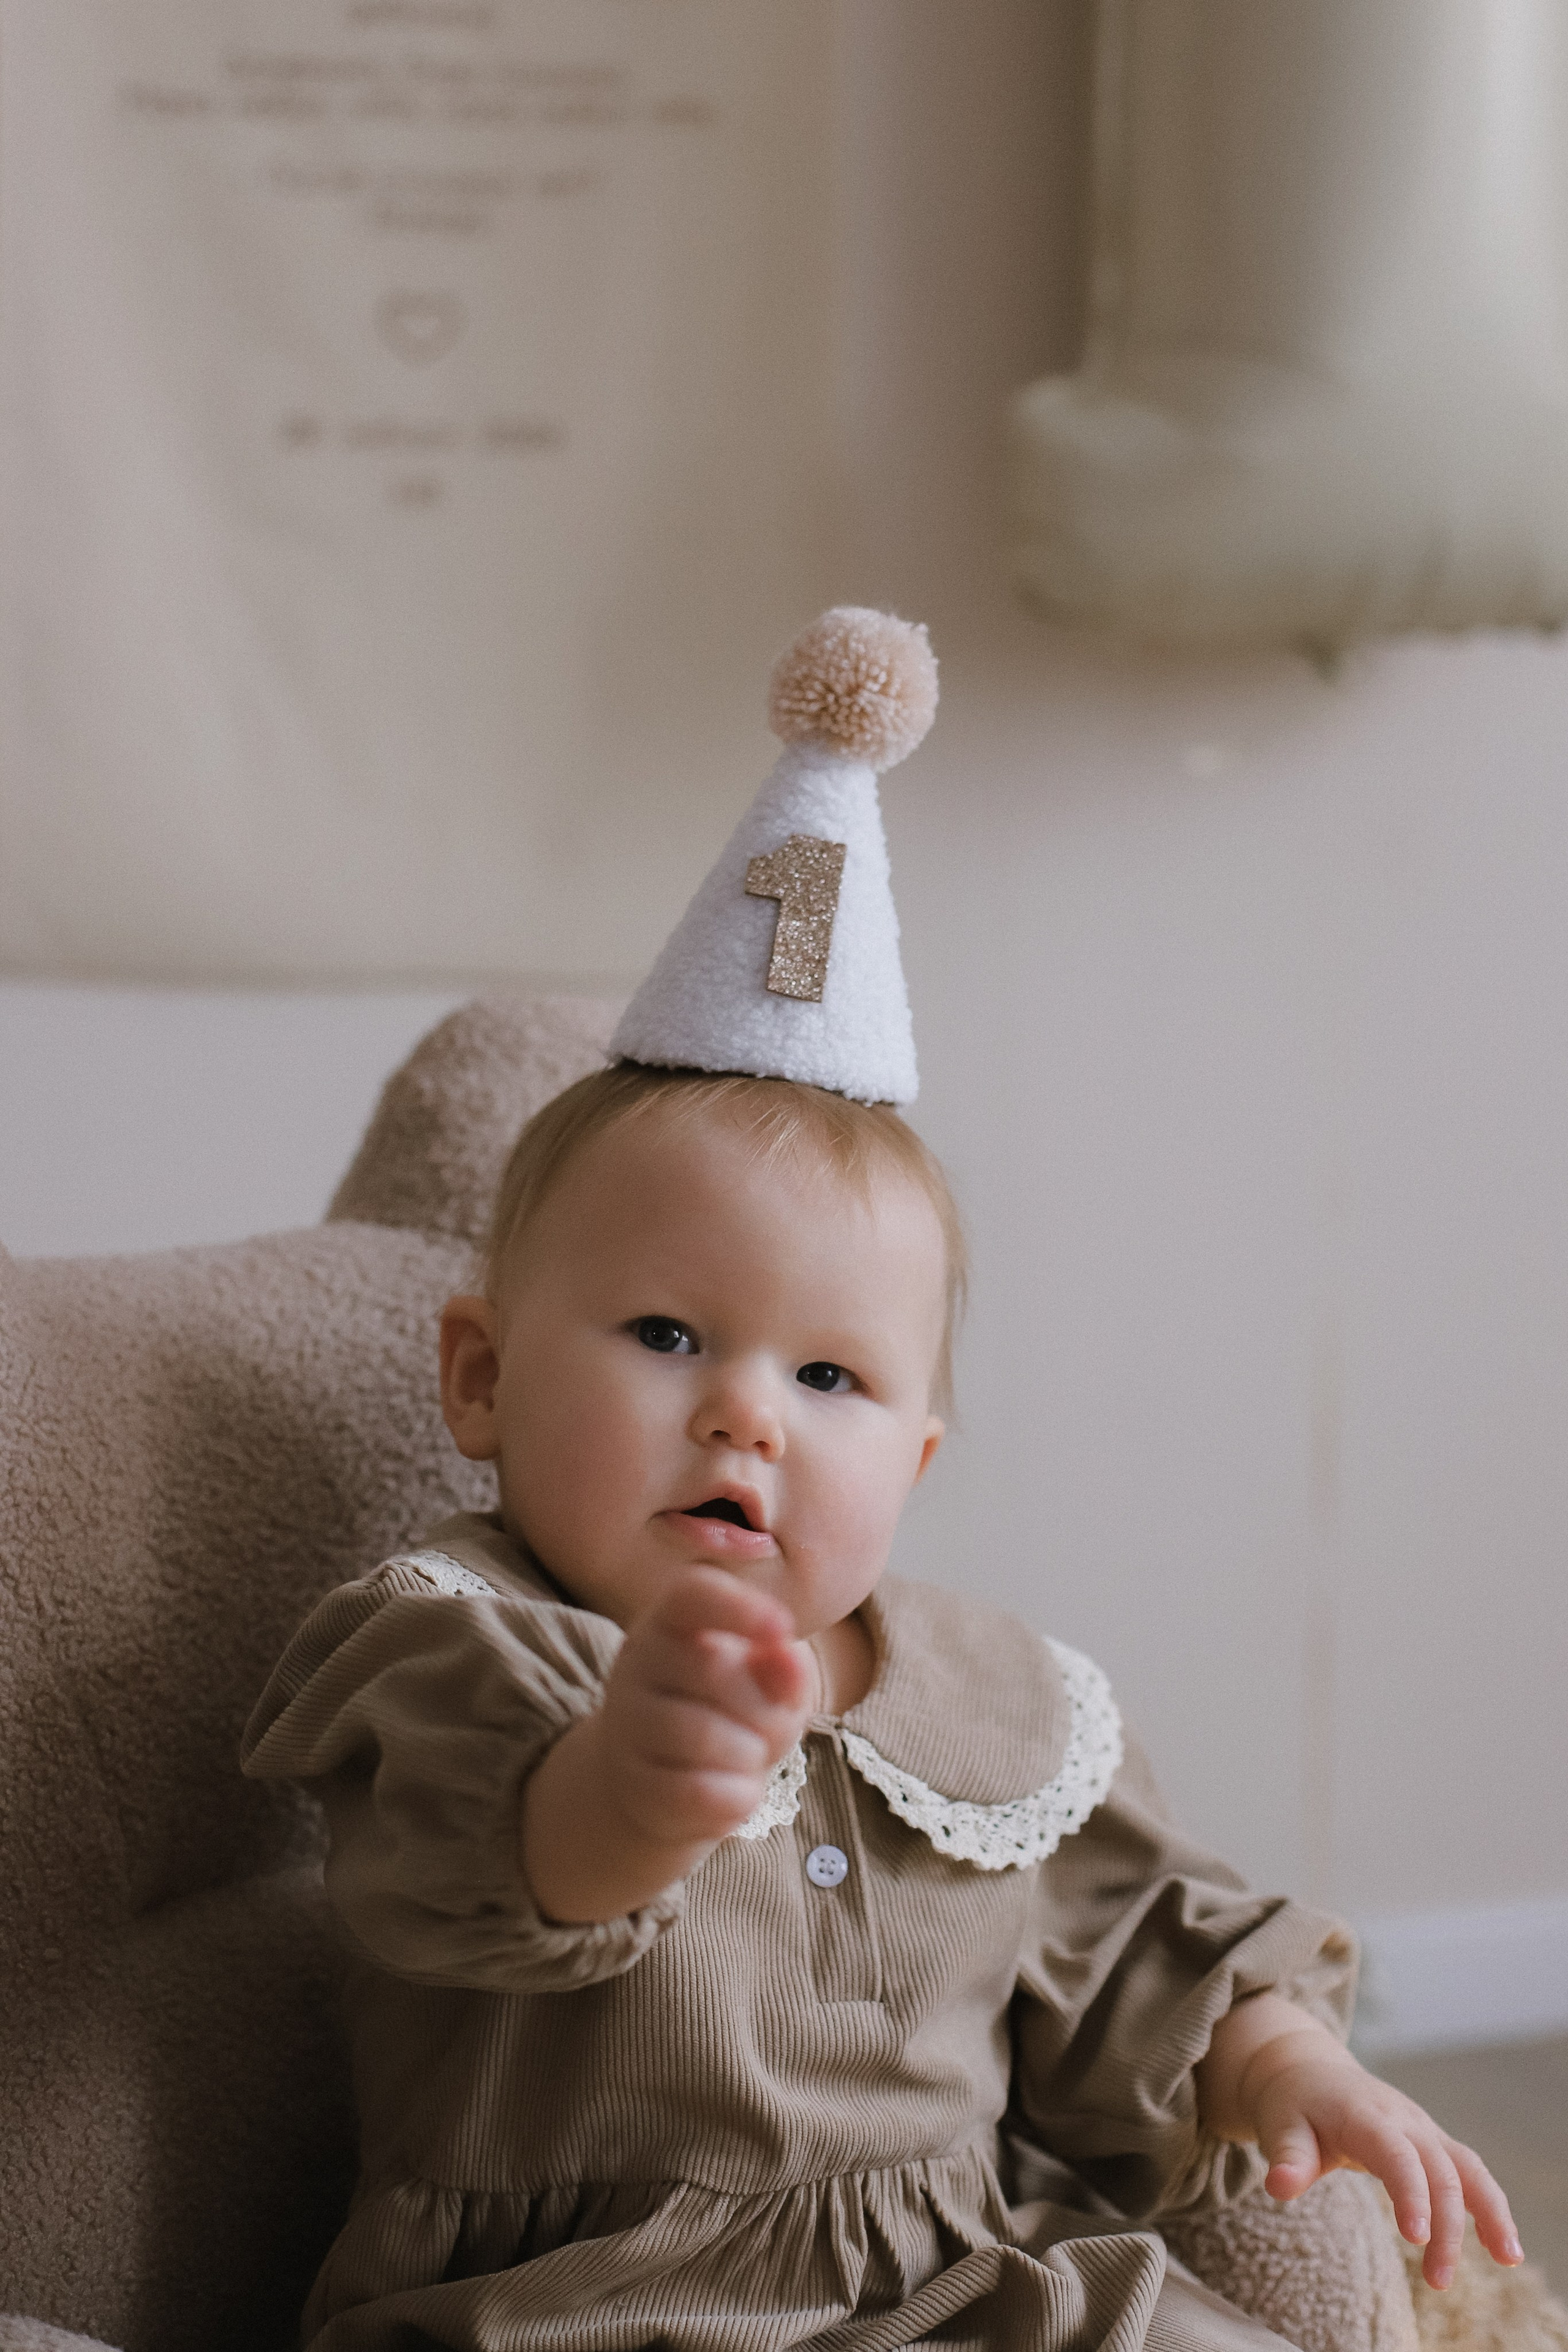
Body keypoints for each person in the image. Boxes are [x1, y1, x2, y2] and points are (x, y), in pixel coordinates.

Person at [244, 612, 1521, 2352]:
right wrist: (633, 1778)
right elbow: (491, 1875)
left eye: (829, 1378)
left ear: (913, 1460)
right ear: (481, 1378)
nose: (747, 1417)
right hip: (594, 2305)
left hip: (968, 2283)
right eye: (667, 1334)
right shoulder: (461, 1643)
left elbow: (1144, 1950)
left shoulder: (998, 1713)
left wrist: (1292, 2066)